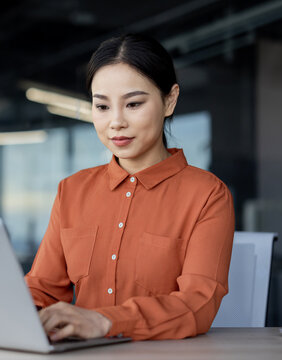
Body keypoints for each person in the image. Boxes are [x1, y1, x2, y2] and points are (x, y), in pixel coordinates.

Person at [24, 33, 235, 342]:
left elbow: (197, 304)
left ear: (169, 100)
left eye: (133, 104)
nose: (116, 122)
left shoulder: (207, 195)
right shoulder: (72, 190)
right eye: (102, 107)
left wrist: (105, 321)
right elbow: (41, 288)